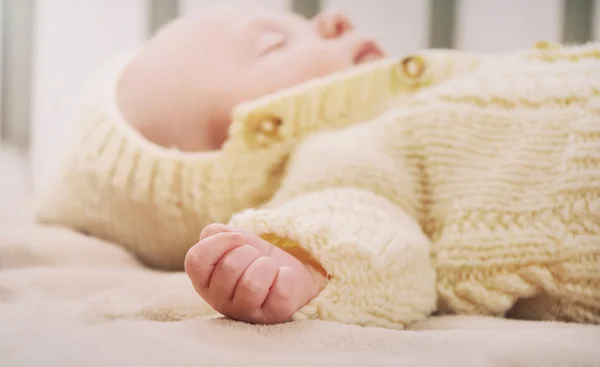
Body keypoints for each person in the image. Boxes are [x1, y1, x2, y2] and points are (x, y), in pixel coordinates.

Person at [35, 5, 600, 329]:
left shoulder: (428, 98)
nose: (329, 18)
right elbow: (369, 237)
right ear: (248, 141)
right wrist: (301, 262)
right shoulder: (340, 152)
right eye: (276, 43)